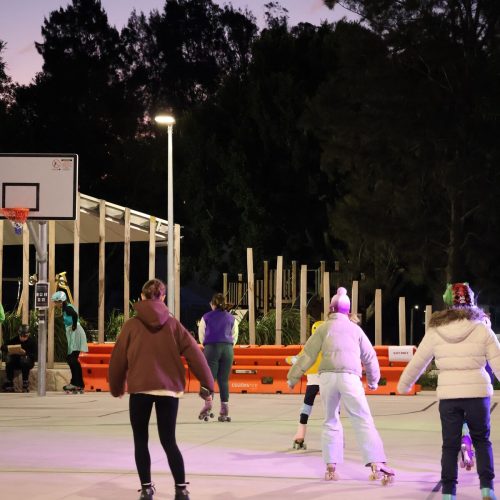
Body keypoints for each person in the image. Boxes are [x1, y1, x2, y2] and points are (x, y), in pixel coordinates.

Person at [108, 278, 215, 500]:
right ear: (163, 298)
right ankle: (181, 489)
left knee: (140, 441)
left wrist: (116, 386)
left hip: (140, 389)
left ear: (141, 297)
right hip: (168, 390)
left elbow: (118, 359)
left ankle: (146, 489)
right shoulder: (174, 325)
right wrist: (207, 383)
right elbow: (195, 354)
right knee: (169, 441)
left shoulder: (131, 326)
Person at [397, 282, 500, 500]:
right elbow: (498, 362)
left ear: (448, 303)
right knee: (482, 441)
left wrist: (404, 385)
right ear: (472, 301)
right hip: (478, 395)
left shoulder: (436, 331)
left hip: (449, 398)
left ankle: (448, 492)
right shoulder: (482, 329)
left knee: (450, 446)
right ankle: (487, 489)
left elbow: (419, 361)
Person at [287, 287, 394, 483]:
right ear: (348, 311)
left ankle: (331, 466)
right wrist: (373, 380)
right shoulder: (356, 330)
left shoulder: (323, 328)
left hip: (327, 378)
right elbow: (370, 357)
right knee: (362, 419)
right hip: (349, 377)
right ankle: (376, 462)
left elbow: (308, 354)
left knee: (330, 420)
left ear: (330, 310)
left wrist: (293, 377)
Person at [198, 292, 238, 422]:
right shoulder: (231, 318)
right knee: (224, 380)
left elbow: (202, 336)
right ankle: (224, 411)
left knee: (209, 379)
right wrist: (227, 346)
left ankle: (208, 406)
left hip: (211, 348)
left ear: (213, 304)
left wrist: (207, 346)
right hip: (227, 349)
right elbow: (234, 336)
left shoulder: (206, 317)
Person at [51, 291, 88, 393]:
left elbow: (75, 315)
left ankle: (76, 383)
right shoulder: (66, 308)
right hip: (73, 333)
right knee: (72, 359)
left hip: (75, 333)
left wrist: (74, 325)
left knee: (71, 359)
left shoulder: (67, 308)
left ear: (61, 301)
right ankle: (78, 383)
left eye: (56, 302)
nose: (56, 304)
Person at [1, 324, 37, 392]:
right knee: (9, 358)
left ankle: (25, 383)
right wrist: (9, 348)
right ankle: (9, 383)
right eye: (21, 336)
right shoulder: (15, 339)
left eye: (25, 336)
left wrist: (25, 353)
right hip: (16, 362)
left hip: (27, 362)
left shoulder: (32, 342)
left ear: (28, 334)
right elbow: (3, 347)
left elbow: (35, 356)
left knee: (24, 359)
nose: (22, 338)